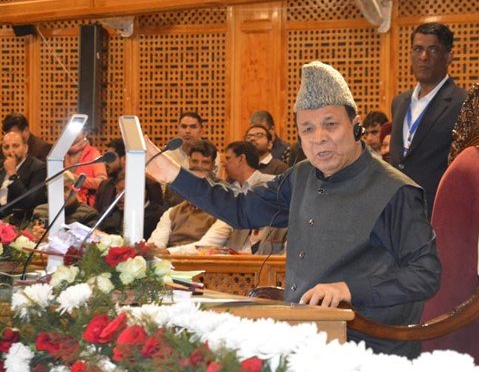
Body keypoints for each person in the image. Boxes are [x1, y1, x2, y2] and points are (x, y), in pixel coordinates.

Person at [145, 61, 440, 358]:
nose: (319, 137)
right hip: (304, 335)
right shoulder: (302, 175)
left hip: (368, 346)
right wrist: (172, 173)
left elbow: (425, 274)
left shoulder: (395, 191)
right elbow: (240, 209)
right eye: (307, 129)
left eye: (331, 124)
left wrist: (349, 289)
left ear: (356, 125)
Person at [389, 22, 467, 219]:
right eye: (418, 49)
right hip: (395, 210)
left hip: (436, 213)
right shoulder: (399, 102)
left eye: (433, 49)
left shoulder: (462, 103)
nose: (423, 57)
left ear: (448, 56)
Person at [167, 141, 285, 255]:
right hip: (234, 260)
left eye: (228, 158)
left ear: (241, 159)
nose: (224, 163)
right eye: (195, 161)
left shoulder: (273, 186)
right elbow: (214, 237)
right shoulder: (233, 190)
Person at [148, 140, 219, 249]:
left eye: (205, 162)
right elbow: (163, 229)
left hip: (204, 253)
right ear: (189, 161)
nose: (199, 166)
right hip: (169, 251)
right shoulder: (174, 187)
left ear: (213, 165)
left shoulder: (222, 192)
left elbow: (210, 244)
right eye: (195, 161)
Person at [0, 131, 47, 220]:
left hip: (19, 220)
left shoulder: (38, 168)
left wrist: (13, 174)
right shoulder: (1, 166)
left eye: (15, 146)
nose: (10, 151)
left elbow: (30, 202)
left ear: (25, 148)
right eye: (6, 147)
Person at [32, 171, 100, 229]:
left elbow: (90, 240)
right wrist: (36, 234)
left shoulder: (89, 215)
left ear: (76, 189)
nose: (61, 194)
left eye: (65, 189)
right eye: (55, 191)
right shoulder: (40, 211)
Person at [63, 132, 107, 206]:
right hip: (62, 202)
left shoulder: (94, 153)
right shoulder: (61, 154)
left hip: (85, 205)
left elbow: (102, 183)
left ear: (85, 133)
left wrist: (74, 178)